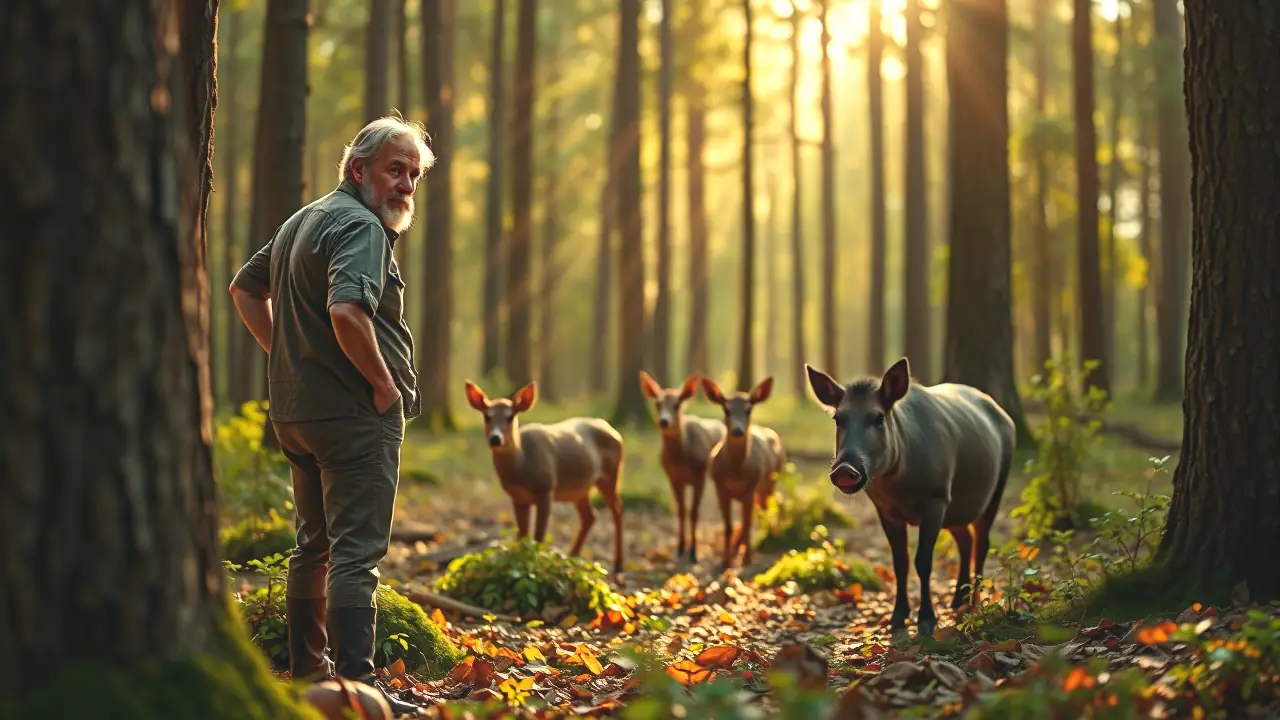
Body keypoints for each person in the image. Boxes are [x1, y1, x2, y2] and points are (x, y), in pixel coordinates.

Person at [229, 114, 432, 716]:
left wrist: (289, 357)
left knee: (312, 545)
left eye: (414, 175)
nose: (405, 186)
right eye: (395, 170)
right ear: (358, 168)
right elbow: (347, 311)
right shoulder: (360, 226)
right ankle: (357, 690)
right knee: (354, 553)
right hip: (352, 416)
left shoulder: (303, 219)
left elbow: (245, 288)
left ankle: (308, 681)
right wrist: (384, 386)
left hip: (297, 413)